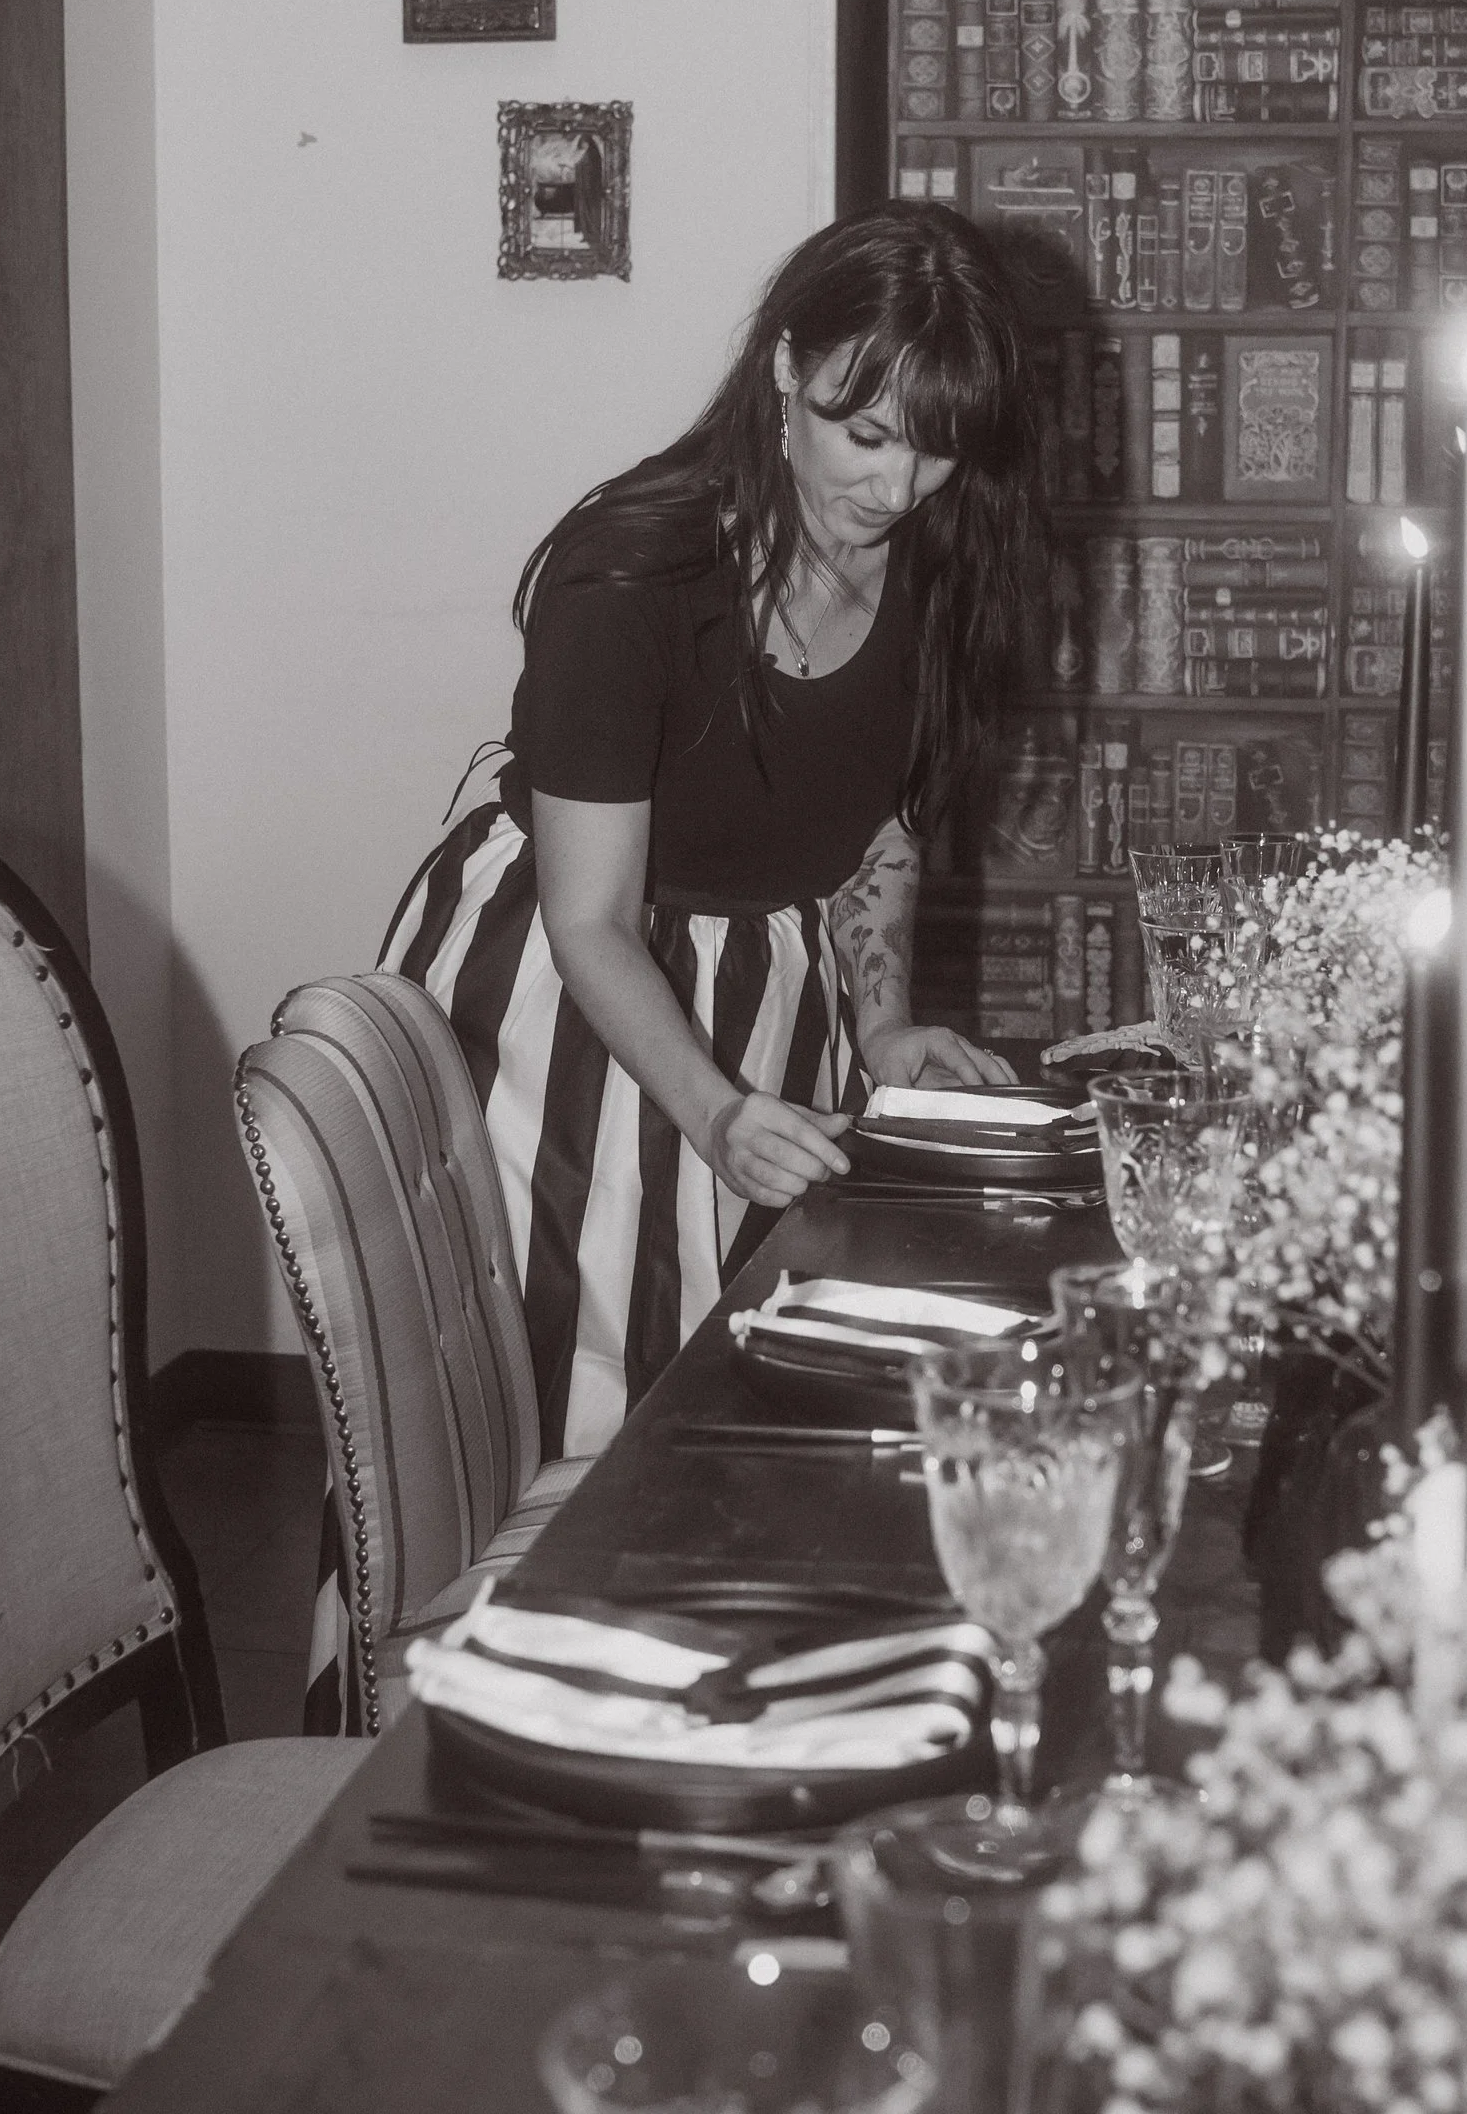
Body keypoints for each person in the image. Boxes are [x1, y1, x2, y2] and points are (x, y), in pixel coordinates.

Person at [383, 203, 1040, 1460]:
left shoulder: (944, 559)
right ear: (786, 366)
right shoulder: (630, 571)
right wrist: (713, 1110)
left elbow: (882, 829)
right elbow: (589, 919)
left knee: (752, 1396)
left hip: (769, 984)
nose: (898, 489)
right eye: (867, 435)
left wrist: (886, 1021)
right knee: (570, 1400)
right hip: (558, 1000)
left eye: (938, 452)